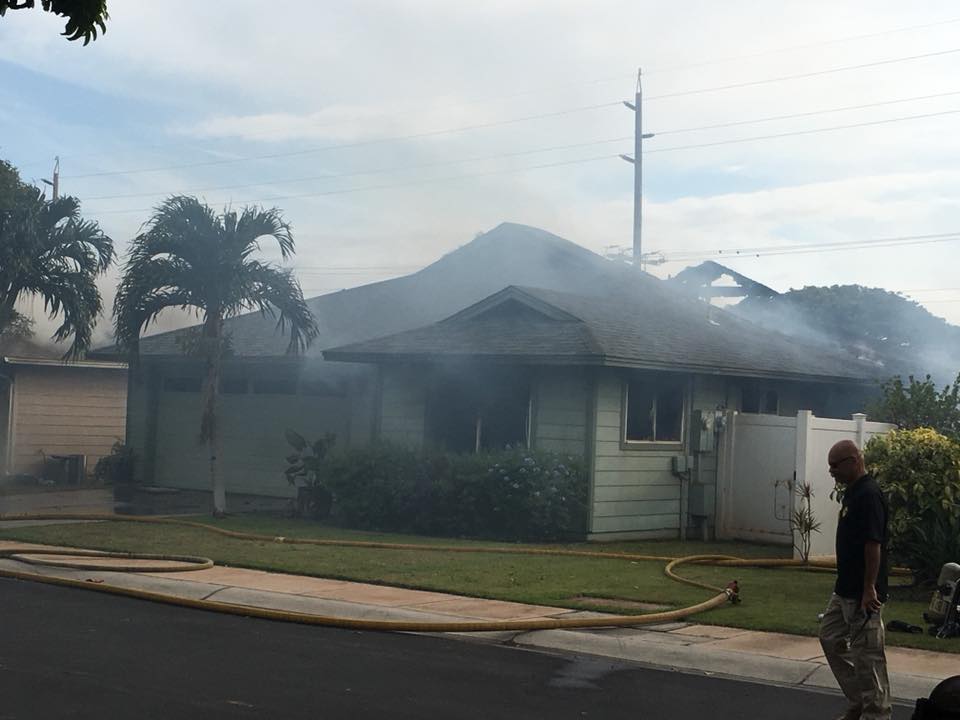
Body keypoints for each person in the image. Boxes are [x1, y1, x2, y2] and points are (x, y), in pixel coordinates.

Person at [819, 439, 891, 720]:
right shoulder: (852, 492)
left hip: (864, 594)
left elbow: (873, 545)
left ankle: (877, 714)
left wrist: (869, 588)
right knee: (829, 638)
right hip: (844, 590)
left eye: (835, 466)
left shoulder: (869, 495)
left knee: (868, 658)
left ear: (853, 461)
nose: (831, 471)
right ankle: (860, 700)